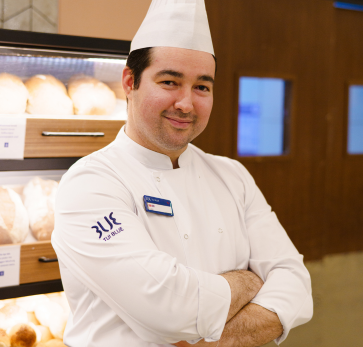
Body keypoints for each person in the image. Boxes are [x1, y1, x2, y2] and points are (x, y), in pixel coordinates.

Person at [51, 1, 313, 346]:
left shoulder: (232, 176)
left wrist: (209, 338)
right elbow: (169, 309)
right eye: (170, 81)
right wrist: (249, 281)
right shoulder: (90, 184)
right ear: (130, 81)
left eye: (202, 87)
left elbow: (296, 286)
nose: (186, 103)